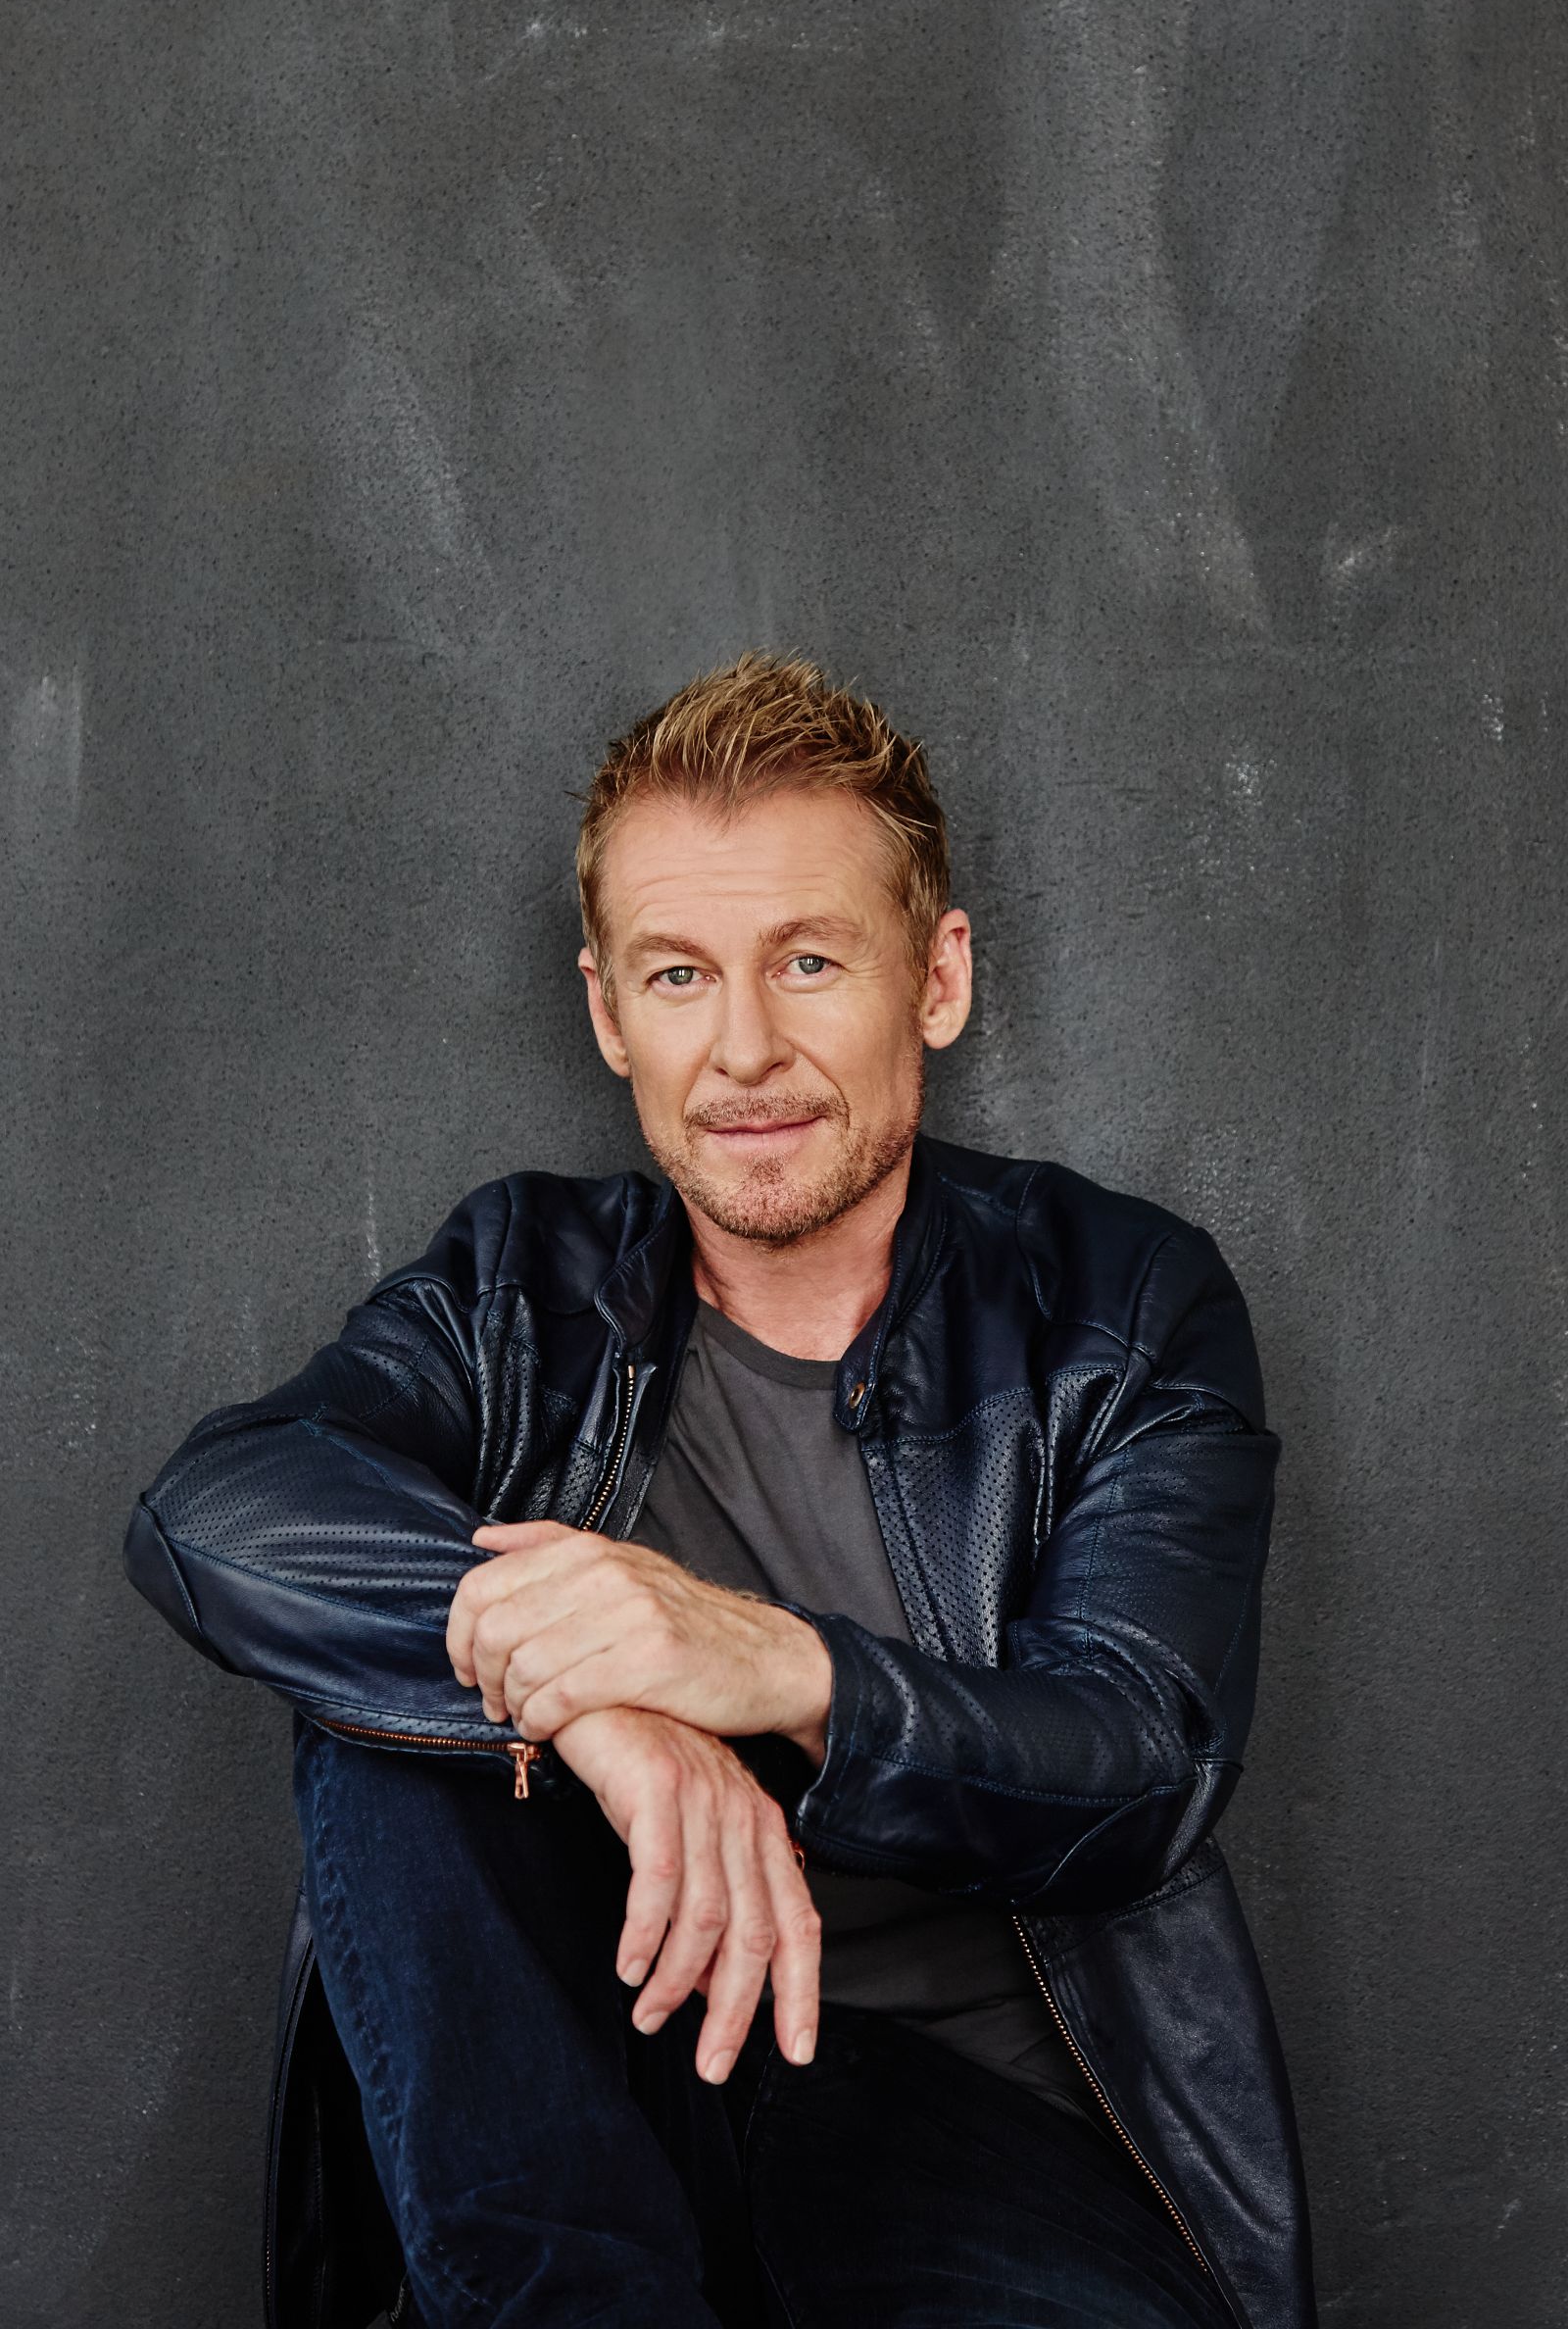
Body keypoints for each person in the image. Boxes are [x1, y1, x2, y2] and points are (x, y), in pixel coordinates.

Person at [124, 652, 1316, 2329]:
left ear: (938, 978)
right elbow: (214, 1510)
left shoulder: (1118, 1308)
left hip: (969, 2112)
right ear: (611, 1012)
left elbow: (1139, 1762)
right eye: (680, 976)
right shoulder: (511, 1288)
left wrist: (768, 1664)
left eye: (809, 961)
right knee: (396, 1686)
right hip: (579, 2088)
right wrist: (615, 1710)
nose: (744, 1048)